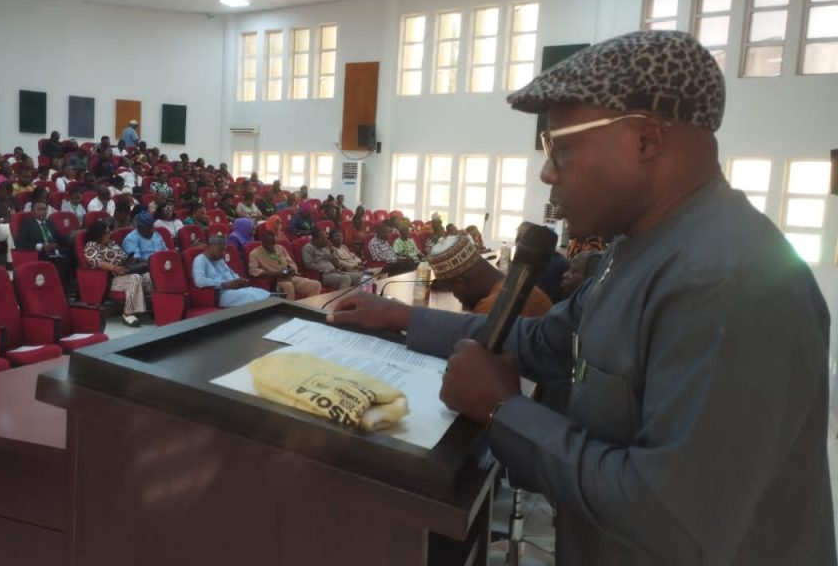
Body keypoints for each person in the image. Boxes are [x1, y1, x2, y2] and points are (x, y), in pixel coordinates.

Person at [329, 31, 835, 566]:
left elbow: (671, 517)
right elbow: (547, 340)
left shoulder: (730, 281)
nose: (548, 172)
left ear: (646, 141)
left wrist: (503, 410)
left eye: (561, 147)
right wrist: (407, 318)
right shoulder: (638, 246)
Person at [428, 234, 551, 316]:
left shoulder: (494, 306)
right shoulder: (515, 284)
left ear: (460, 283)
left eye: (452, 290)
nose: (456, 296)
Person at [83, 220, 151, 327]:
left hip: (125, 271)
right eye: (106, 233)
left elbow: (122, 256)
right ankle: (128, 313)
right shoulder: (91, 245)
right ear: (98, 234)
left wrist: (130, 260)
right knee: (135, 278)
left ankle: (155, 308)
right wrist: (114, 268)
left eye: (109, 232)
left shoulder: (112, 243)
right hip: (110, 279)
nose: (109, 235)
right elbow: (97, 262)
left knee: (149, 277)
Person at [192, 235, 271, 308]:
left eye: (224, 250)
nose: (223, 253)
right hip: (221, 294)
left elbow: (231, 273)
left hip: (235, 290)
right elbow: (200, 281)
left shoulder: (220, 260)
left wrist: (239, 280)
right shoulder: (200, 259)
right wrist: (223, 284)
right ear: (210, 246)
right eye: (221, 250)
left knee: (260, 292)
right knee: (250, 295)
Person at [249, 230, 321, 300]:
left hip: (288, 276)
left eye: (274, 243)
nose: (273, 246)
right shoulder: (254, 253)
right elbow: (253, 270)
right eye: (270, 244)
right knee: (288, 286)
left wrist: (291, 270)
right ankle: (289, 311)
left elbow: (291, 263)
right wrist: (275, 274)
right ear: (263, 242)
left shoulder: (280, 248)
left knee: (315, 285)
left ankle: (309, 309)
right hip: (275, 280)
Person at [17, 199, 72, 285]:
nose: (42, 212)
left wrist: (73, 238)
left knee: (73, 254)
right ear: (32, 212)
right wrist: (41, 247)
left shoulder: (50, 223)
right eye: (39, 209)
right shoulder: (27, 224)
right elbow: (21, 243)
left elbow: (60, 238)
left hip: (56, 250)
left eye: (44, 209)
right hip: (40, 254)